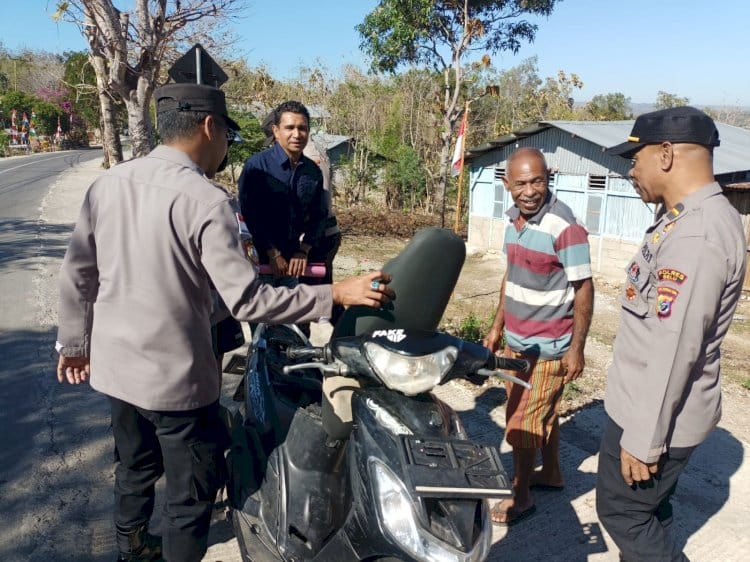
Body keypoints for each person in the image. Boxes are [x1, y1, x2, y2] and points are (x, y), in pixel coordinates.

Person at [55, 83, 394, 562]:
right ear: (210, 126)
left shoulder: (108, 183)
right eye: (225, 139)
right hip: (174, 380)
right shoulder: (205, 200)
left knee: (132, 464)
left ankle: (131, 546)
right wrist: (334, 294)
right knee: (189, 497)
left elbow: (78, 272)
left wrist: (73, 343)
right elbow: (248, 299)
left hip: (115, 370)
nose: (223, 151)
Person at [596, 106, 746, 561]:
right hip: (648, 406)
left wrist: (644, 441)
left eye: (634, 158)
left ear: (664, 154)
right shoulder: (684, 220)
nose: (631, 170)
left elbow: (674, 346)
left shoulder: (696, 235)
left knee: (625, 513)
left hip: (653, 416)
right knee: (648, 509)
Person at [482, 147, 594, 525]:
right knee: (541, 415)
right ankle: (552, 473)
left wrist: (576, 348)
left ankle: (521, 495)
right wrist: (497, 327)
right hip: (518, 341)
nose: (530, 191)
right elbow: (511, 275)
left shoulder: (565, 227)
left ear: (549, 179)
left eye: (538, 181)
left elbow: (584, 288)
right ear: (506, 184)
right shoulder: (513, 218)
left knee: (522, 423)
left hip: (550, 348)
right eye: (521, 183)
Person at [238, 101, 327, 289]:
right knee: (263, 316)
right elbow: (250, 215)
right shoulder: (257, 166)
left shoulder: (312, 171)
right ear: (276, 131)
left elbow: (319, 215)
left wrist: (303, 251)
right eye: (289, 128)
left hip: (292, 264)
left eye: (302, 128)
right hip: (258, 264)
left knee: (290, 316)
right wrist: (272, 252)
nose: (296, 134)